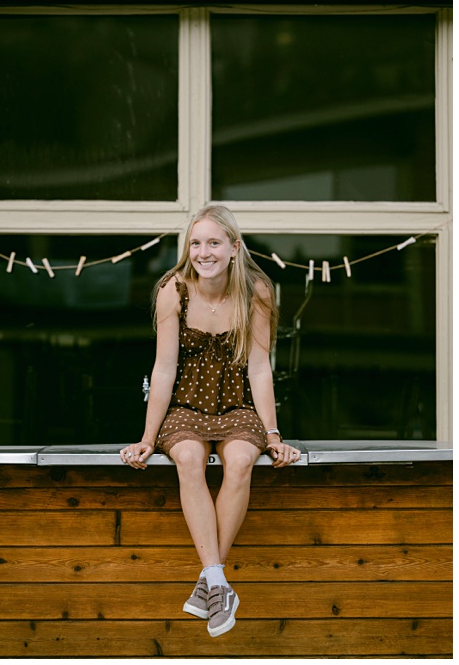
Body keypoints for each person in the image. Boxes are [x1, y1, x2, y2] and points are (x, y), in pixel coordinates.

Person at [119, 204, 302, 638]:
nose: (204, 252)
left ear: (234, 248)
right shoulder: (173, 290)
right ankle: (219, 581)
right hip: (185, 404)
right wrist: (147, 437)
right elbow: (163, 369)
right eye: (196, 243)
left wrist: (273, 433)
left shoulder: (257, 290)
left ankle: (210, 583)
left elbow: (260, 366)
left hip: (238, 403)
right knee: (187, 458)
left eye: (214, 243)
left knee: (240, 461)